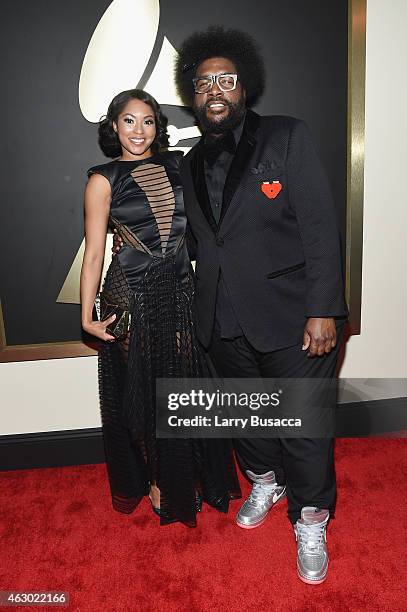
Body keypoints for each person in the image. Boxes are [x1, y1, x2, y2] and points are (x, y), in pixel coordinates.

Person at [173, 26, 348, 582]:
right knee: (249, 419)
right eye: (203, 83)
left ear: (245, 86)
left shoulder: (286, 136)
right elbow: (204, 244)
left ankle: (311, 518)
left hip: (296, 317)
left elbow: (320, 229)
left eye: (226, 80)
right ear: (192, 94)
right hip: (224, 318)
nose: (215, 90)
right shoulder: (191, 161)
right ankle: (265, 483)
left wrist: (324, 308)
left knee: (303, 426)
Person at [80, 88, 240, 527]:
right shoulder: (103, 178)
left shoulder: (178, 165)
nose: (138, 130)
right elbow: (95, 252)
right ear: (113, 126)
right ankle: (157, 479)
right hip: (130, 292)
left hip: (180, 288)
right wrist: (85, 315)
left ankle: (187, 472)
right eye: (128, 120)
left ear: (158, 127)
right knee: (147, 393)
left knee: (183, 387)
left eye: (147, 120)